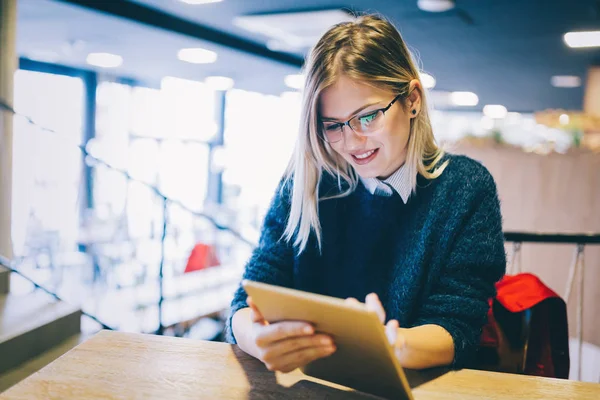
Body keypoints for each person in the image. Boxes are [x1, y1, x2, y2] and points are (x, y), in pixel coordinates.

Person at [226, 14, 506, 373]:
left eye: (367, 117)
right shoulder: (305, 182)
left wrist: (393, 345)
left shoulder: (465, 188)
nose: (352, 142)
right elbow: (247, 300)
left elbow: (458, 326)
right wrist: (256, 338)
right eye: (332, 125)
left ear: (413, 100)